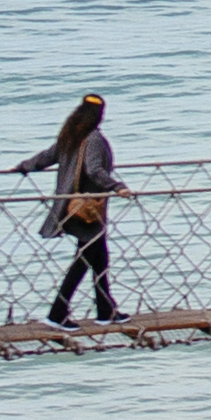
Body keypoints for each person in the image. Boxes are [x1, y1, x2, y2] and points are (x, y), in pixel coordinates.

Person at [29, 91, 124, 322]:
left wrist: (23, 166)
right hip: (87, 210)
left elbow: (47, 157)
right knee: (84, 261)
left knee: (98, 258)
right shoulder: (92, 138)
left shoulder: (71, 134)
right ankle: (58, 313)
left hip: (71, 206)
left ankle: (105, 309)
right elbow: (94, 170)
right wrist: (117, 186)